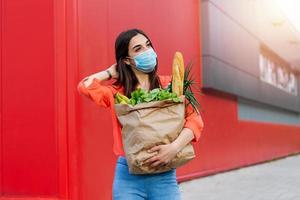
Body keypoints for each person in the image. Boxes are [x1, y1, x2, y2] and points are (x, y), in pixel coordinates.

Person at [77, 28, 204, 200]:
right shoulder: (117, 93)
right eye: (138, 49)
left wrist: (174, 148)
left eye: (148, 45)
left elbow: (195, 120)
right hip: (128, 176)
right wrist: (109, 72)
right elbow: (85, 87)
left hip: (164, 175)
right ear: (127, 60)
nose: (147, 51)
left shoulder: (170, 85)